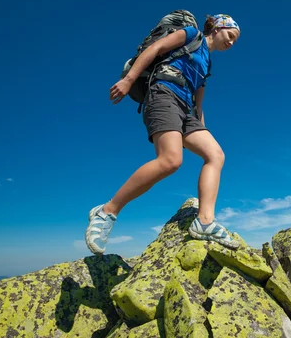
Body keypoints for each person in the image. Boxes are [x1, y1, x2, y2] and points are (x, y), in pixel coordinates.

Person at [85, 14, 241, 255]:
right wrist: (128, 80)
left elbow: (199, 98)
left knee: (215, 155)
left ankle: (205, 222)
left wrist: (201, 128)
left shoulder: (207, 62)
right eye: (230, 36)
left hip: (185, 109)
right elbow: (156, 48)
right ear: (218, 28)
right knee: (171, 160)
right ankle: (106, 211)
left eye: (235, 41)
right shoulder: (192, 34)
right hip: (164, 93)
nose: (231, 43)